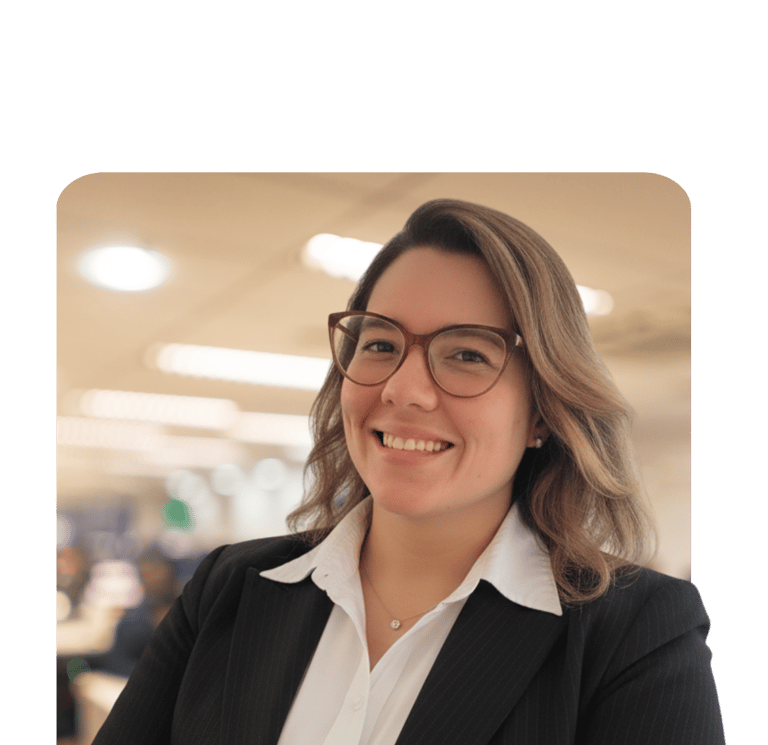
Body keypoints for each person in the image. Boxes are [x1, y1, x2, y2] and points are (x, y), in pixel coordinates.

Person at [94, 199, 724, 744]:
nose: (404, 388)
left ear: (541, 412)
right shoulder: (229, 588)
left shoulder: (636, 634)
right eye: (380, 344)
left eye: (468, 354)